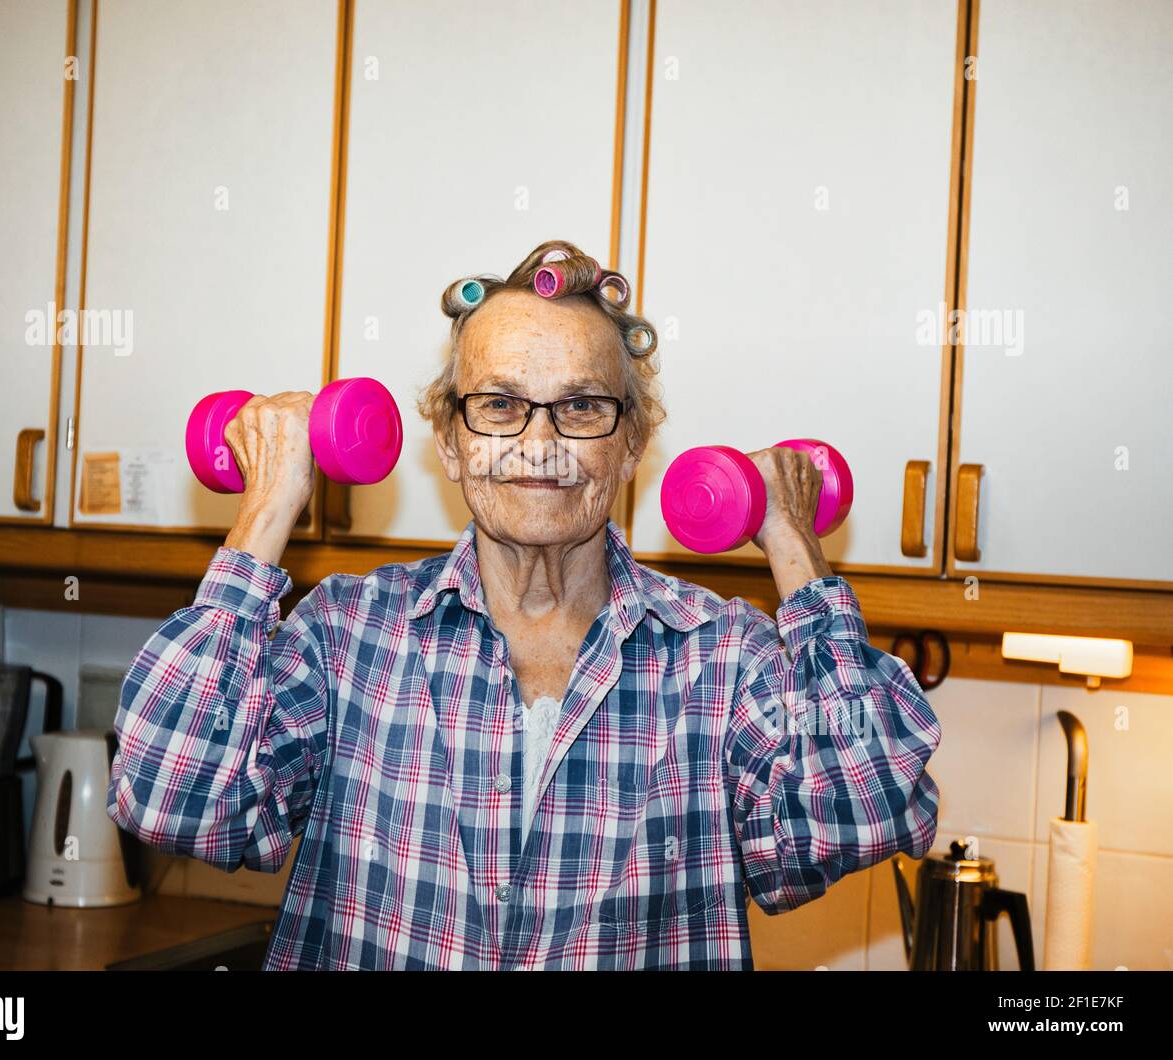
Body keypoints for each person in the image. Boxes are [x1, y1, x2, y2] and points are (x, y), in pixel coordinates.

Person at [107, 239, 941, 970]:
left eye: (582, 407)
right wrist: (266, 510)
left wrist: (791, 541)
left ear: (631, 446)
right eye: (499, 405)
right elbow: (175, 801)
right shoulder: (346, 633)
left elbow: (859, 814)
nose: (539, 446)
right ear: (452, 443)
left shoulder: (723, 656)